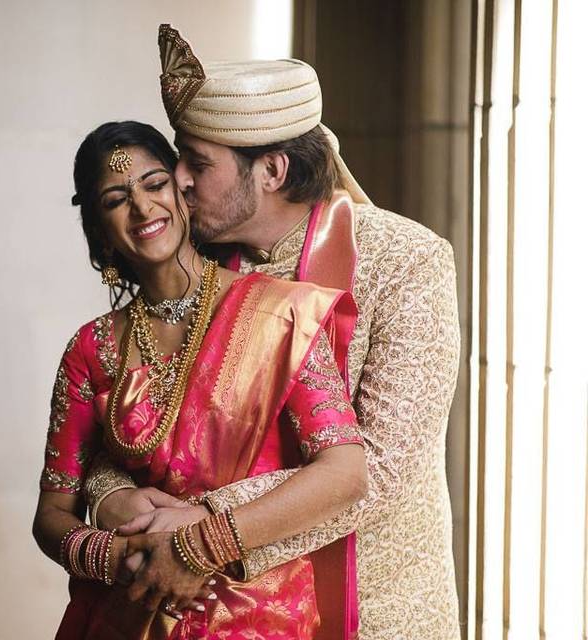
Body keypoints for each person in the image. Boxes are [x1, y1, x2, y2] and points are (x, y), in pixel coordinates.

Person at [84, 25, 462, 640]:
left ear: (273, 170)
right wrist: (116, 503)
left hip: (373, 611)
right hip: (216, 615)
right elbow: (118, 429)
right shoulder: (190, 267)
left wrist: (200, 532)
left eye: (197, 163)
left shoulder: (405, 261)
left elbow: (383, 469)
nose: (176, 180)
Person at [32, 120, 368, 639]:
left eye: (154, 184)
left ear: (182, 190)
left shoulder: (279, 313)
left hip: (256, 615)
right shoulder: (91, 349)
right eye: (117, 198)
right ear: (99, 230)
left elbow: (345, 472)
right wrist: (119, 557)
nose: (143, 209)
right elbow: (53, 514)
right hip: (128, 611)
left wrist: (200, 544)